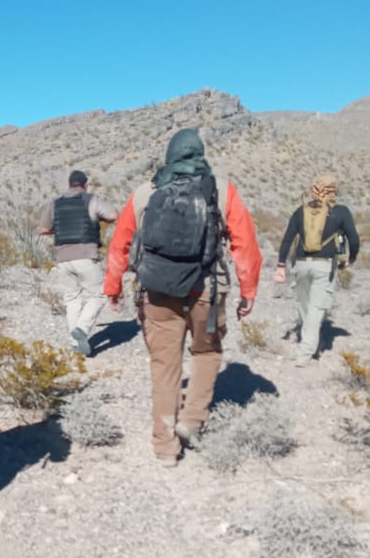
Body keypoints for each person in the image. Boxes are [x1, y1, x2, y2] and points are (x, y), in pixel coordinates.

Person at [104, 128, 262, 467]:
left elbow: (120, 244)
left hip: (158, 291)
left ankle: (165, 446)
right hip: (207, 289)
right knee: (207, 352)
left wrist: (112, 286)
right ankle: (192, 419)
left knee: (164, 367)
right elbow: (245, 245)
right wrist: (248, 290)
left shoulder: (145, 192)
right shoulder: (222, 190)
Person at [274, 175, 359, 366]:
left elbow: (287, 239)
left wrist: (281, 265)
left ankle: (311, 341)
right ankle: (306, 352)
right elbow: (353, 239)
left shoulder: (300, 211)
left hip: (302, 264)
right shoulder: (341, 212)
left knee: (304, 305)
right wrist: (351, 259)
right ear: (334, 191)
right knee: (316, 308)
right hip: (325, 265)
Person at [39, 169, 118, 356]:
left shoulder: (55, 204)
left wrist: (58, 232)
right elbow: (113, 215)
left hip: (63, 258)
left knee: (72, 300)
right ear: (85, 185)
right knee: (98, 295)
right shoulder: (91, 199)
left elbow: (43, 229)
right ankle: (82, 329)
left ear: (68, 184)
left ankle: (76, 345)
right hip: (86, 255)